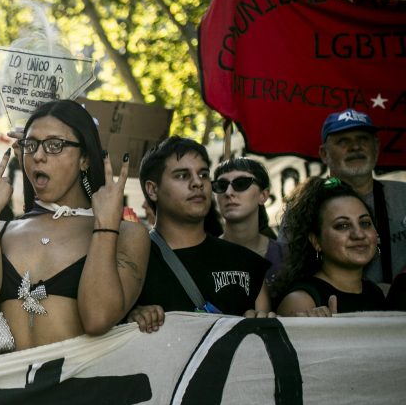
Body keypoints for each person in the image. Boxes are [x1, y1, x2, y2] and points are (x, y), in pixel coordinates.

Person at [0, 99, 149, 350]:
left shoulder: (128, 234)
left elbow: (98, 318)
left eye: (54, 146)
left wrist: (104, 226)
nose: (38, 156)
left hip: (80, 387)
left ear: (84, 159)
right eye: (31, 145)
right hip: (4, 387)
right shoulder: (1, 229)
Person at [128, 137, 273, 333]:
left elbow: (266, 350)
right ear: (153, 190)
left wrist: (263, 324)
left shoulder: (247, 264)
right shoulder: (132, 261)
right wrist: (128, 320)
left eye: (204, 174)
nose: (198, 183)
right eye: (182, 176)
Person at [318, 109, 406, 285]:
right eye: (343, 141)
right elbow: (288, 268)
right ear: (324, 154)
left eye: (363, 139)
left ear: (377, 147)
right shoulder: (307, 203)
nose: (355, 147)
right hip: (333, 308)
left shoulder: (403, 195)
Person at [275, 177, 385, 315]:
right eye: (342, 226)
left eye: (365, 223)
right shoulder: (301, 301)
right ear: (316, 241)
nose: (359, 234)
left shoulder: (375, 293)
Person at [213, 158, 286, 286]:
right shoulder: (202, 257)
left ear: (263, 195)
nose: (229, 192)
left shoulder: (288, 258)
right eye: (221, 185)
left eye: (241, 183)